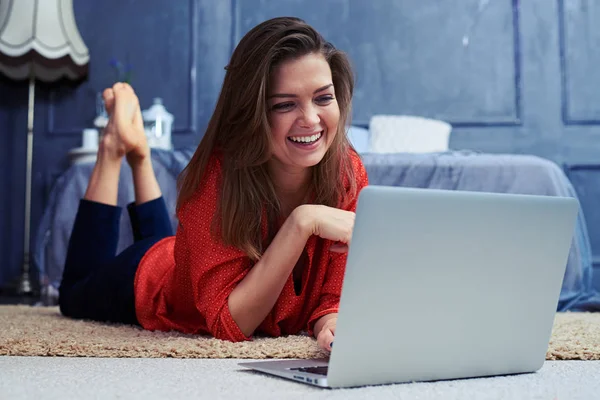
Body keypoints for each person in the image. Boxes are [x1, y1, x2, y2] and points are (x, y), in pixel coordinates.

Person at [58, 16, 368, 352]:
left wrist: (332, 326)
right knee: (74, 294)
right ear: (252, 114)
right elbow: (229, 324)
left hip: (188, 257)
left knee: (168, 243)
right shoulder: (218, 175)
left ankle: (140, 156)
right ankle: (114, 148)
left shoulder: (348, 172)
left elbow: (332, 298)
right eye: (284, 105)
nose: (310, 119)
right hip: (149, 279)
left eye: (323, 98)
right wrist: (301, 222)